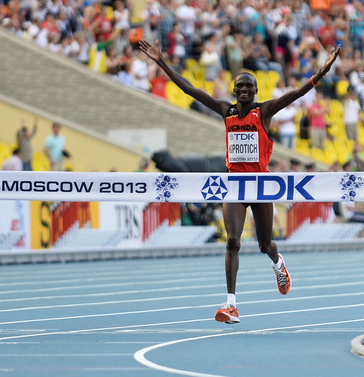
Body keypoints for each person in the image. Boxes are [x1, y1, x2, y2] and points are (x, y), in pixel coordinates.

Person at [139, 38, 341, 324]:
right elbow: (190, 89)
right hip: (234, 185)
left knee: (264, 244)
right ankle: (231, 304)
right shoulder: (227, 111)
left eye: (249, 86)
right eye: (240, 86)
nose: (244, 89)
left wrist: (321, 72)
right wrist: (161, 62)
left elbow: (297, 93)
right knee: (232, 240)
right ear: (234, 90)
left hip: (260, 186)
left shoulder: (265, 112)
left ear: (256, 91)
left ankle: (277, 261)